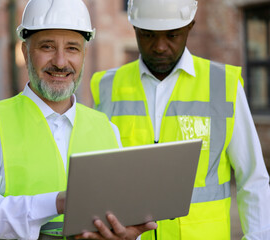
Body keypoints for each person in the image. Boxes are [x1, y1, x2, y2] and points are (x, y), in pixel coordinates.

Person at [0, 0, 157, 239]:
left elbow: (120, 214)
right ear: (25, 52)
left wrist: (126, 235)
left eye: (72, 49)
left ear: (84, 55)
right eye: (47, 47)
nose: (60, 61)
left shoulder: (107, 128)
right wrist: (56, 203)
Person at [90, 0, 270, 239]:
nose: (159, 46)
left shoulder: (223, 86)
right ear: (134, 28)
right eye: (148, 35)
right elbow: (99, 177)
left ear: (190, 26)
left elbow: (252, 178)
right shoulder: (106, 87)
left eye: (172, 35)